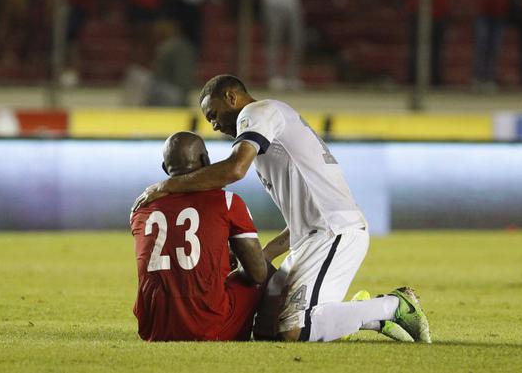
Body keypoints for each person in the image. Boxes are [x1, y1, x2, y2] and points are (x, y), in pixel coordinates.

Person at [133, 75, 431, 343]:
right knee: (265, 329)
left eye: (213, 114)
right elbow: (302, 213)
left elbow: (234, 170)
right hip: (312, 235)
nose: (213, 124)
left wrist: (166, 186)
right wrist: (267, 252)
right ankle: (346, 315)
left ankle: (394, 306)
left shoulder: (258, 112)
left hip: (334, 231)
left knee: (292, 330)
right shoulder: (268, 137)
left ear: (231, 98)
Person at [130, 131, 269, 341]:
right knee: (262, 276)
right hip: (208, 325)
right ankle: (271, 331)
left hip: (153, 328)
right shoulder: (228, 201)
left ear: (165, 169)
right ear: (206, 160)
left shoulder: (140, 207)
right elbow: (257, 274)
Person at [472, 0, 510, 90]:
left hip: (499, 15)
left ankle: (490, 79)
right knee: (481, 46)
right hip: (484, 14)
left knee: (495, 48)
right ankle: (477, 78)